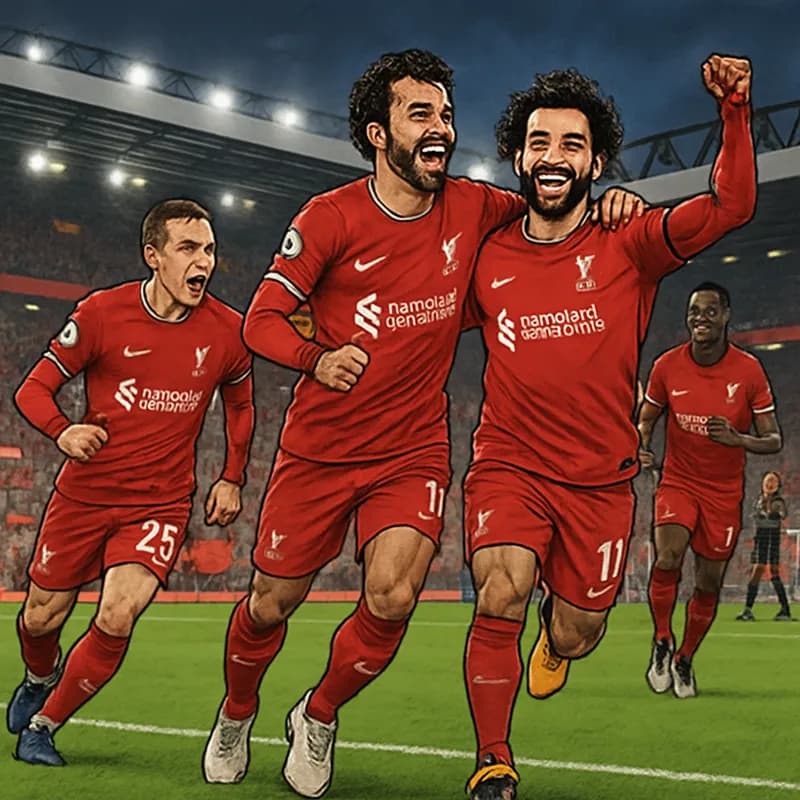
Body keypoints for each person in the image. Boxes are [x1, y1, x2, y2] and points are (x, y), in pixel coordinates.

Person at [201, 48, 642, 795]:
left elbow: (553, 207)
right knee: (271, 601)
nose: (441, 128)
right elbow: (262, 320)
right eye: (420, 115)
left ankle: (319, 712)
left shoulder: (475, 206)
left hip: (413, 450)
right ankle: (238, 711)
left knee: (394, 597)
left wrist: (612, 200)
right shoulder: (330, 218)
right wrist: (315, 358)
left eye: (445, 114)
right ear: (379, 134)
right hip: (319, 451)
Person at [461, 55, 757, 799]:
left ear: (594, 160)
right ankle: (493, 758)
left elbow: (730, 208)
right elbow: (421, 309)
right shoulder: (485, 255)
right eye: (538, 142)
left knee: (574, 633)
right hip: (509, 464)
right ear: (518, 155)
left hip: (599, 483)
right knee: (500, 589)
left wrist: (736, 113)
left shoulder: (631, 242)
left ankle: (557, 643)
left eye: (570, 144)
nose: (551, 156)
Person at [8, 199, 255, 766]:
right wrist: (63, 432)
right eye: (189, 248)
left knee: (118, 613)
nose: (205, 262)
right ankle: (39, 676)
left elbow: (241, 404)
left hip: (160, 504)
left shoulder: (226, 331)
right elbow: (32, 390)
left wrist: (232, 476)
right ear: (154, 256)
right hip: (84, 496)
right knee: (40, 616)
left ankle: (44, 727)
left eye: (210, 250)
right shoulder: (101, 314)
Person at [640, 283, 781, 700]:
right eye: (693, 311)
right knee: (667, 556)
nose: (699, 317)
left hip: (723, 492)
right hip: (678, 481)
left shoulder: (749, 371)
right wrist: (642, 446)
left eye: (709, 311)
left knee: (708, 584)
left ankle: (685, 658)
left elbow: (773, 440)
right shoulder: (667, 366)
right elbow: (646, 419)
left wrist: (739, 439)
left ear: (725, 316)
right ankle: (663, 640)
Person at [736, 471, 793, 621]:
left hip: (772, 536)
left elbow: (782, 514)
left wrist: (770, 514)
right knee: (758, 569)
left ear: (777, 485)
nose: (769, 484)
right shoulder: (759, 500)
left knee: (771, 570)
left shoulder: (778, 501)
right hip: (760, 536)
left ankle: (784, 609)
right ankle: (749, 609)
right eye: (767, 481)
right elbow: (754, 515)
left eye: (773, 481)